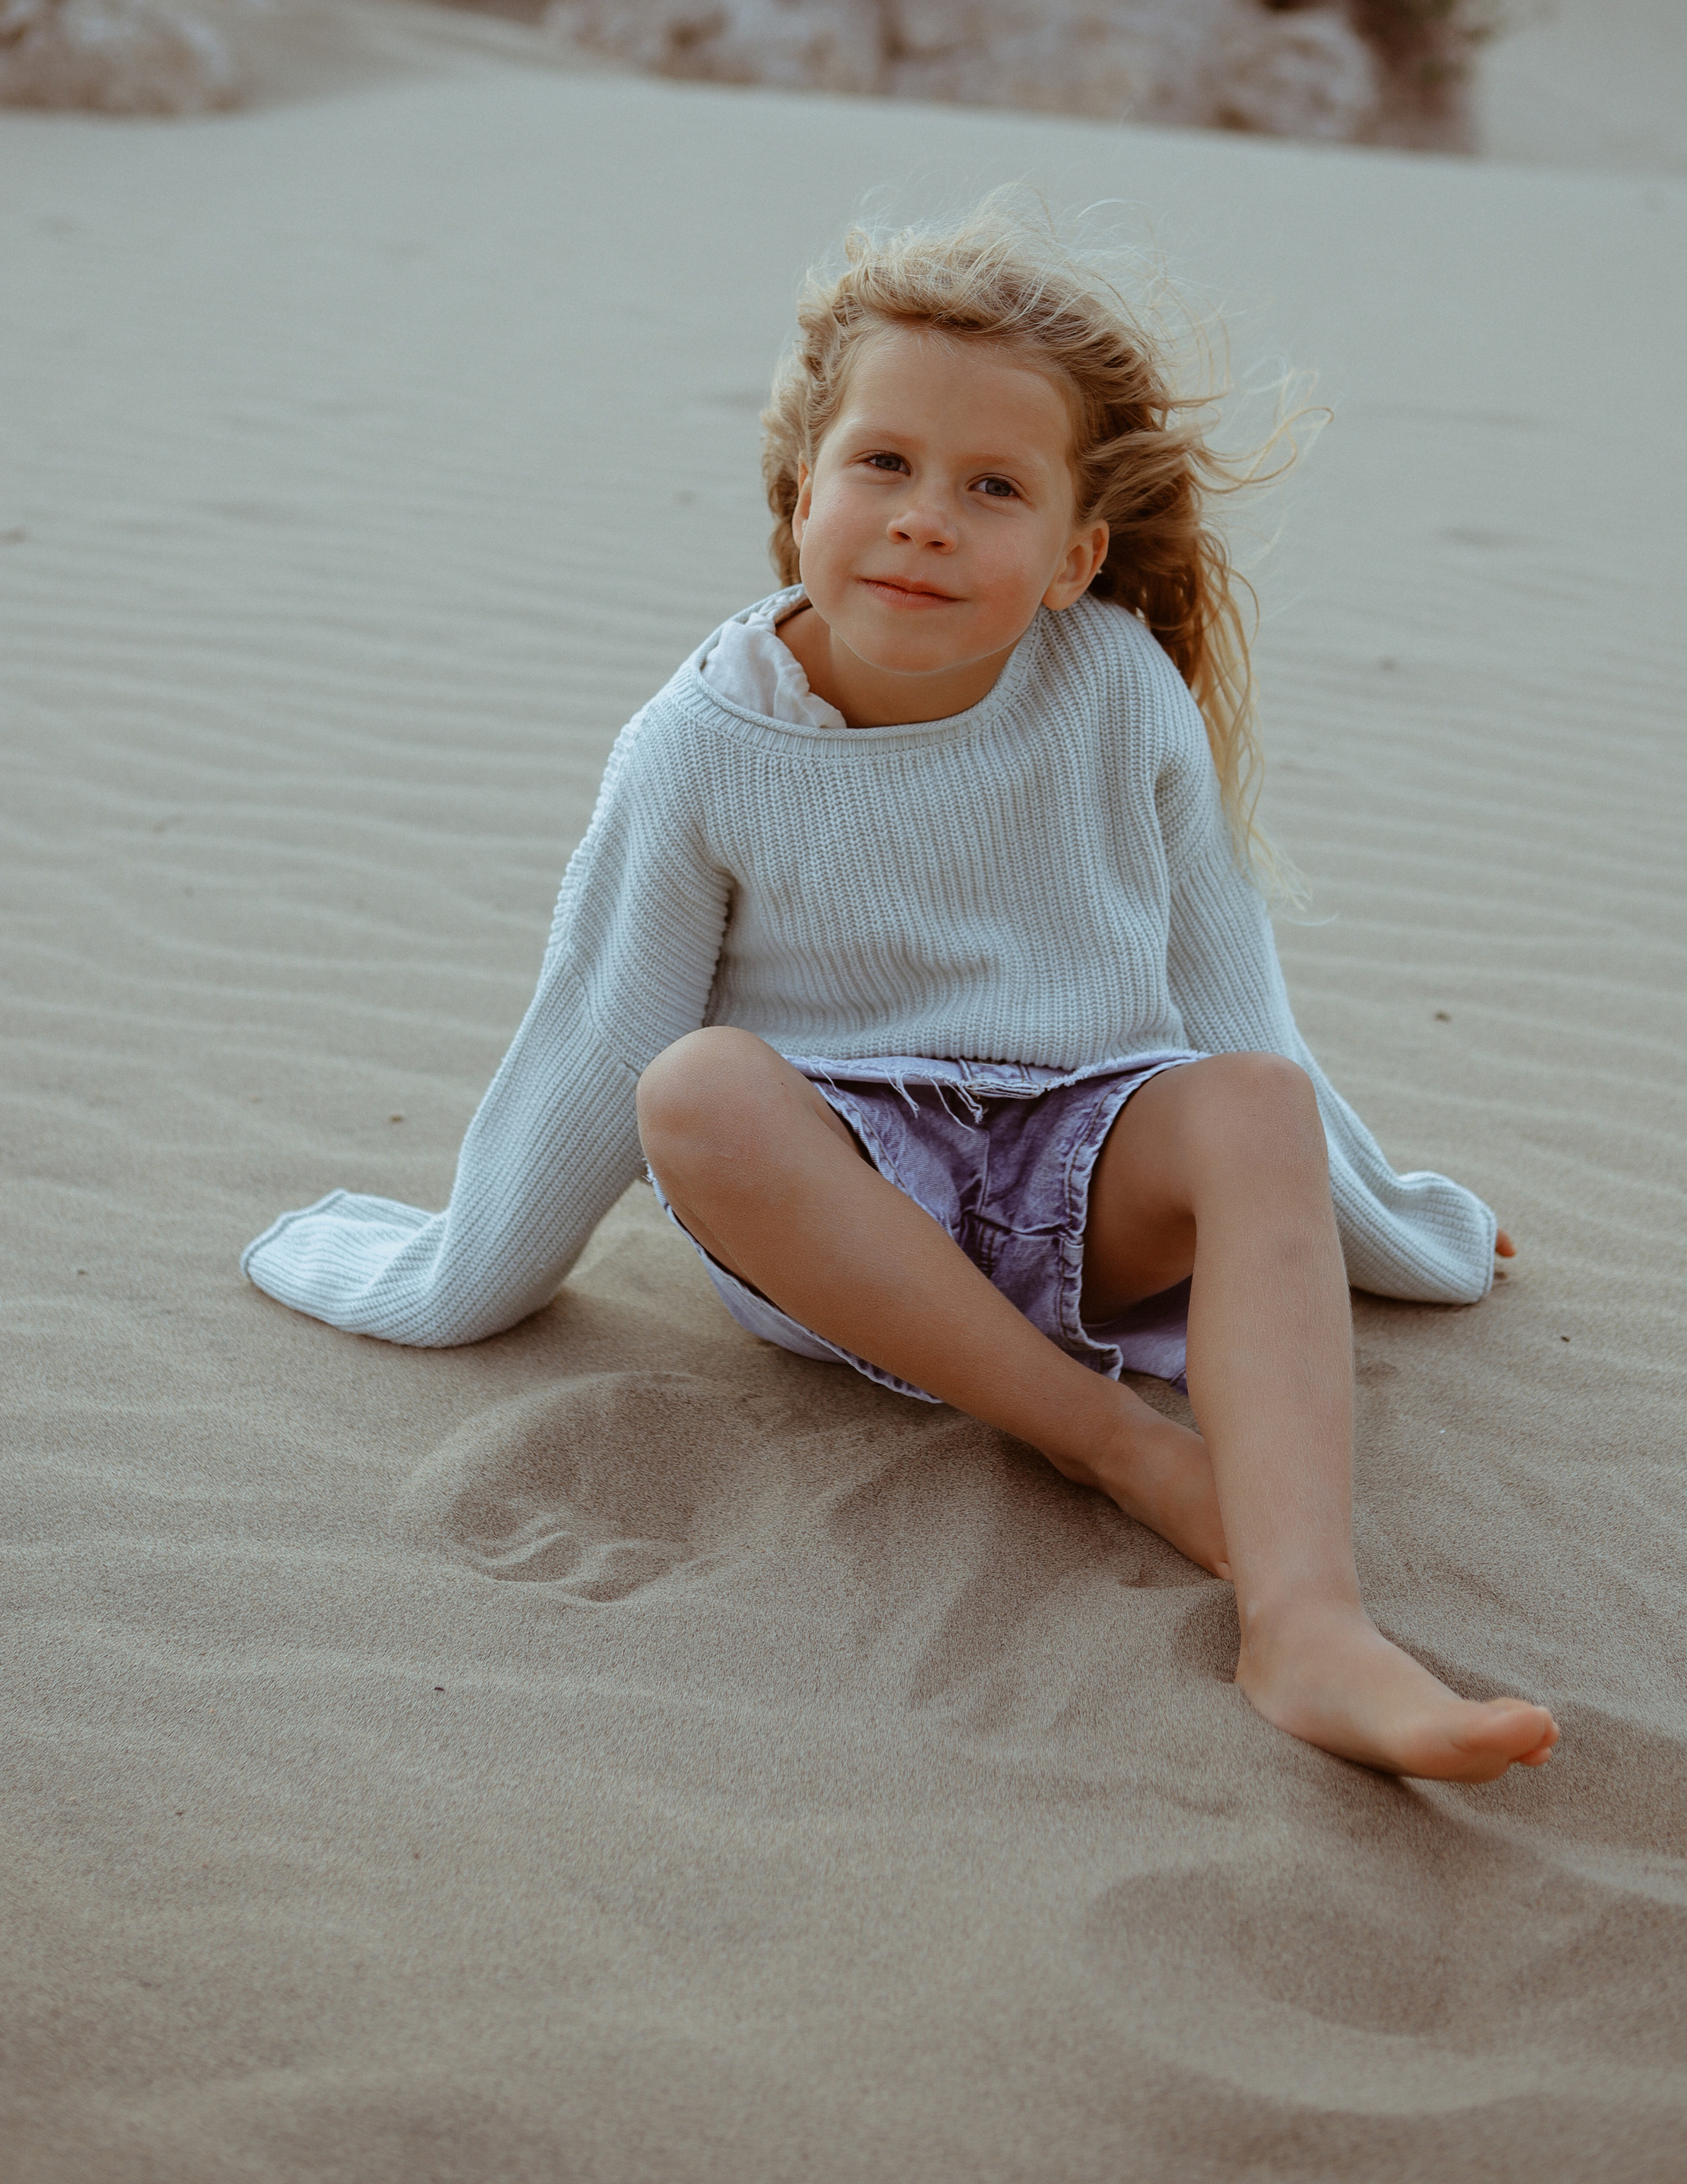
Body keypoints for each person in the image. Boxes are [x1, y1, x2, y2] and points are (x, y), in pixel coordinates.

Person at [245, 201, 1558, 1784]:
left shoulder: (1114, 689)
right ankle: (1114, 1446)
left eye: (993, 487)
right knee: (694, 1088)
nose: (925, 520)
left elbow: (1230, 1004)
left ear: (1075, 556)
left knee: (1255, 1105)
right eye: (883, 465)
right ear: (801, 495)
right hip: (850, 1216)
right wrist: (458, 1275)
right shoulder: (701, 744)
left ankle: (1309, 1624)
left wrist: (1383, 1221)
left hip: (1085, 1169)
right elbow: (599, 1037)